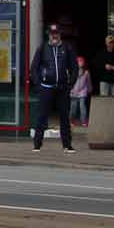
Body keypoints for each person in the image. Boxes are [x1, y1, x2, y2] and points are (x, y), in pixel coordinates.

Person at [31, 23, 78, 151]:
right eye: (52, 34)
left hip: (62, 88)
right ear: (49, 35)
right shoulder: (43, 48)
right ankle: (37, 144)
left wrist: (70, 84)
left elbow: (74, 67)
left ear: (60, 34)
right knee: (42, 116)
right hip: (46, 87)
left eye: (56, 33)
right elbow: (34, 67)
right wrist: (38, 84)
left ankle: (67, 145)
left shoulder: (67, 48)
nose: (55, 36)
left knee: (64, 117)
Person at [72, 56, 92, 125]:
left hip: (82, 92)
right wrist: (70, 90)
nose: (80, 63)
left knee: (82, 107)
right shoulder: (72, 71)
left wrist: (89, 89)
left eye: (81, 61)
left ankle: (83, 121)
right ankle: (72, 120)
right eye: (79, 61)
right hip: (73, 92)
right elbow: (69, 81)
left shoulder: (86, 72)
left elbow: (88, 82)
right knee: (73, 108)